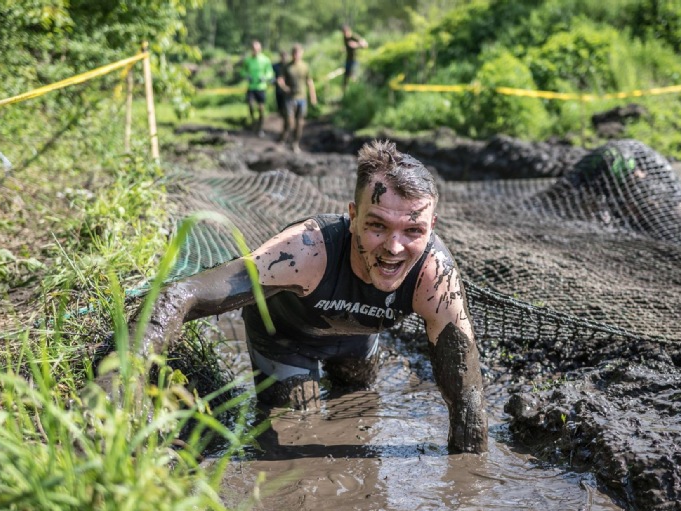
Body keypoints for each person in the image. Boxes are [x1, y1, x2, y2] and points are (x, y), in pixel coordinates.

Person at [130, 140, 487, 454]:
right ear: (352, 216)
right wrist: (125, 372)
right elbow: (185, 293)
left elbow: (466, 395)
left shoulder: (435, 276)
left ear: (432, 227)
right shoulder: (305, 251)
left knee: (361, 403)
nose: (394, 248)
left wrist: (469, 487)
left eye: (413, 231)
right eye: (377, 225)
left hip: (357, 339)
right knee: (296, 429)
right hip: (286, 339)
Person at [277, 43, 317, 153]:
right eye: (294, 53)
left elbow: (309, 81)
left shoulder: (305, 66)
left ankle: (295, 143)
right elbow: (280, 79)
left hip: (302, 98)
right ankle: (283, 139)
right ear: (292, 54)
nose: (296, 55)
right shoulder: (287, 66)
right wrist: (284, 87)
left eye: (298, 53)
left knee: (300, 123)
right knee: (289, 122)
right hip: (289, 98)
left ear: (302, 53)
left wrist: (313, 96)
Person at [241, 40, 273, 137]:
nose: (255, 51)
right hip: (251, 87)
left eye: (257, 49)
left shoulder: (265, 60)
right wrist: (246, 76)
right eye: (254, 49)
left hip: (261, 88)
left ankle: (260, 127)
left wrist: (265, 77)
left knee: (261, 109)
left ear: (260, 49)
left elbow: (270, 72)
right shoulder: (248, 60)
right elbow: (242, 71)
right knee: (250, 105)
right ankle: (253, 122)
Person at [342, 24, 368, 96]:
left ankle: (357, 93)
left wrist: (356, 45)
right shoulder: (345, 38)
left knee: (354, 77)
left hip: (355, 60)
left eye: (346, 32)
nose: (345, 34)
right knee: (346, 77)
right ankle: (345, 94)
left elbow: (365, 44)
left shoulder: (354, 37)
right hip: (348, 59)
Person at [272, 50, 289, 141]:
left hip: (288, 93)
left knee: (288, 112)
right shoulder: (275, 66)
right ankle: (284, 128)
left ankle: (285, 131)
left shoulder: (289, 66)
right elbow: (271, 75)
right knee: (281, 111)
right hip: (279, 92)